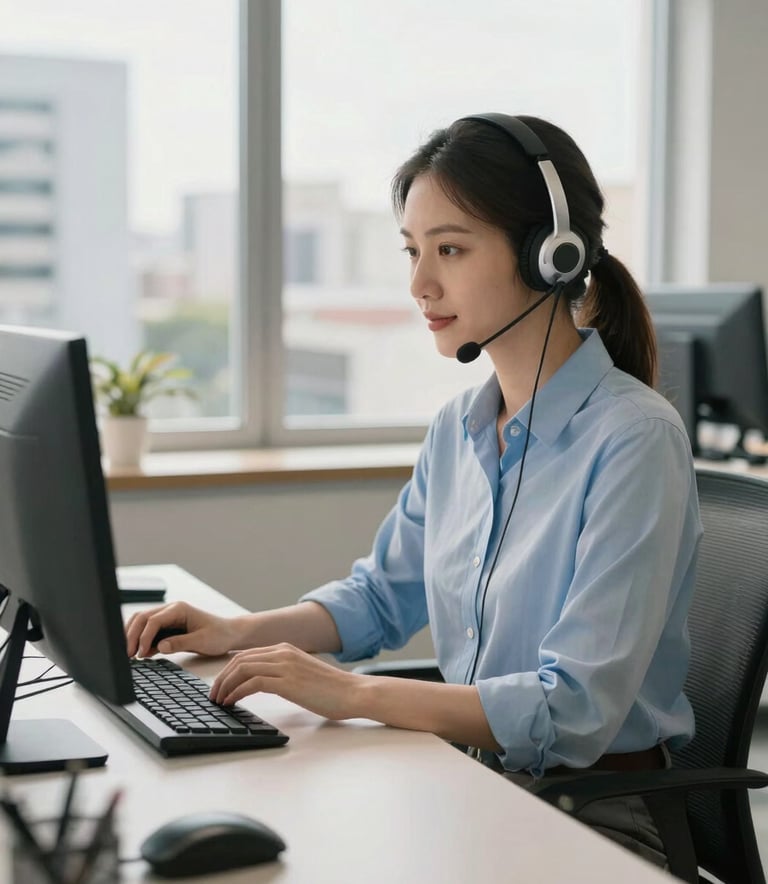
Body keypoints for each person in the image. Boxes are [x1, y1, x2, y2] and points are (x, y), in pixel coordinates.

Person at [125, 114, 702, 868]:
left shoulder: (633, 440)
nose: (420, 284)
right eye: (412, 251)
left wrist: (352, 695)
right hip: (468, 777)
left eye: (451, 250)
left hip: (596, 815)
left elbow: (577, 709)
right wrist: (239, 631)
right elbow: (380, 597)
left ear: (551, 256)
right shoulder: (459, 426)